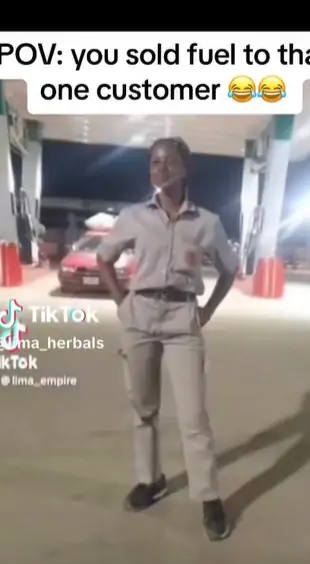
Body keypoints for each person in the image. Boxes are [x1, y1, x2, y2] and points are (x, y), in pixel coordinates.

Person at [96, 137, 238, 541]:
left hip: (182, 320)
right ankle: (150, 480)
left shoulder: (206, 222)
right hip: (139, 315)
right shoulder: (133, 217)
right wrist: (122, 303)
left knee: (193, 415)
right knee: (143, 408)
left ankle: (209, 497)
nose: (160, 169)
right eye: (154, 162)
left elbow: (229, 269)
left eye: (168, 162)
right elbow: (104, 257)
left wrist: (207, 310)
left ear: (184, 168)